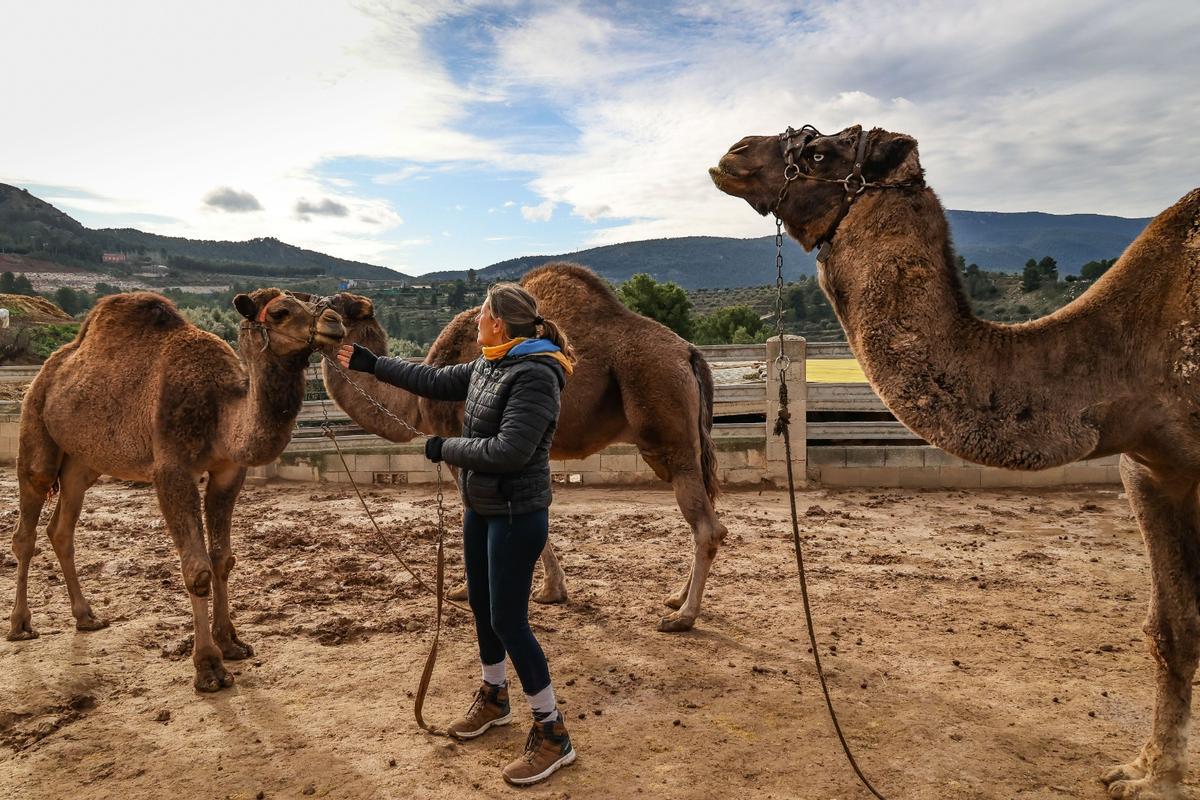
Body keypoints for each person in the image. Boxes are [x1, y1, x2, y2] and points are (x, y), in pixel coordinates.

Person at [337, 282, 578, 786]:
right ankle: (494, 697)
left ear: (500, 322)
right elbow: (432, 378)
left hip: (516, 512)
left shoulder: (535, 374)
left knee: (511, 621)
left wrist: (444, 449)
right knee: (483, 608)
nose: (476, 320)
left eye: (483, 313)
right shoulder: (491, 363)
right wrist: (369, 363)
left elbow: (511, 451)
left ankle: (553, 733)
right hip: (482, 506)